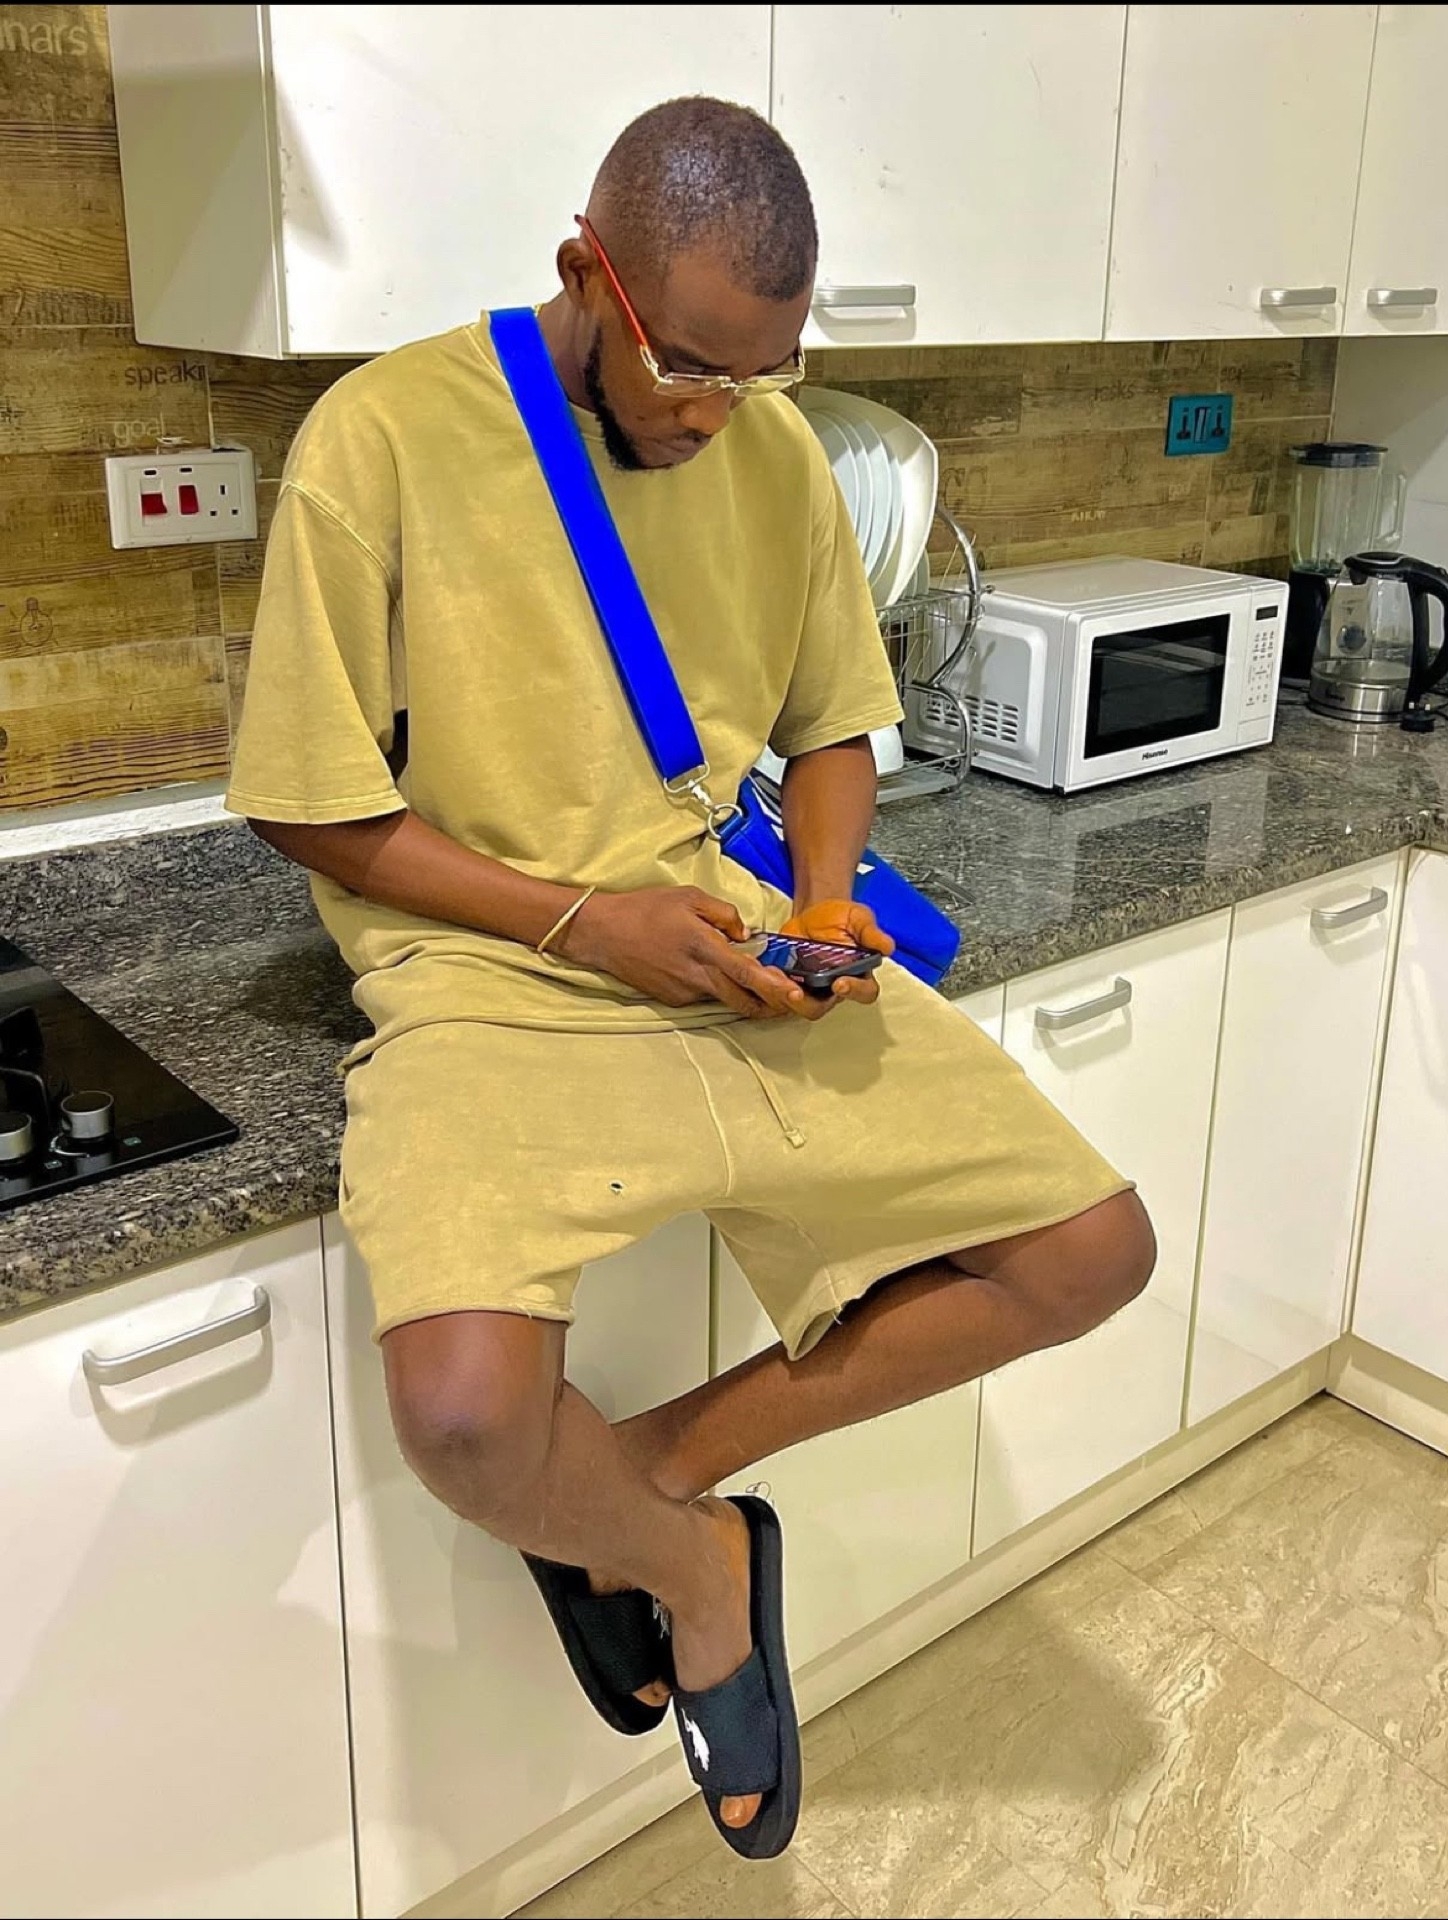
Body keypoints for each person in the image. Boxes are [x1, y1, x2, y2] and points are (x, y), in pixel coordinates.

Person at [226, 95, 1154, 1861]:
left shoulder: (770, 452)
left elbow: (833, 723)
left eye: (762, 375)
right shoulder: (384, 434)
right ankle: (700, 1568)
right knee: (469, 1424)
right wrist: (584, 923)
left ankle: (648, 1472)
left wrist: (825, 903)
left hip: (724, 946)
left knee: (1090, 1253)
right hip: (489, 968)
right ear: (588, 272)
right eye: (690, 369)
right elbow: (309, 806)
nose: (717, 413)